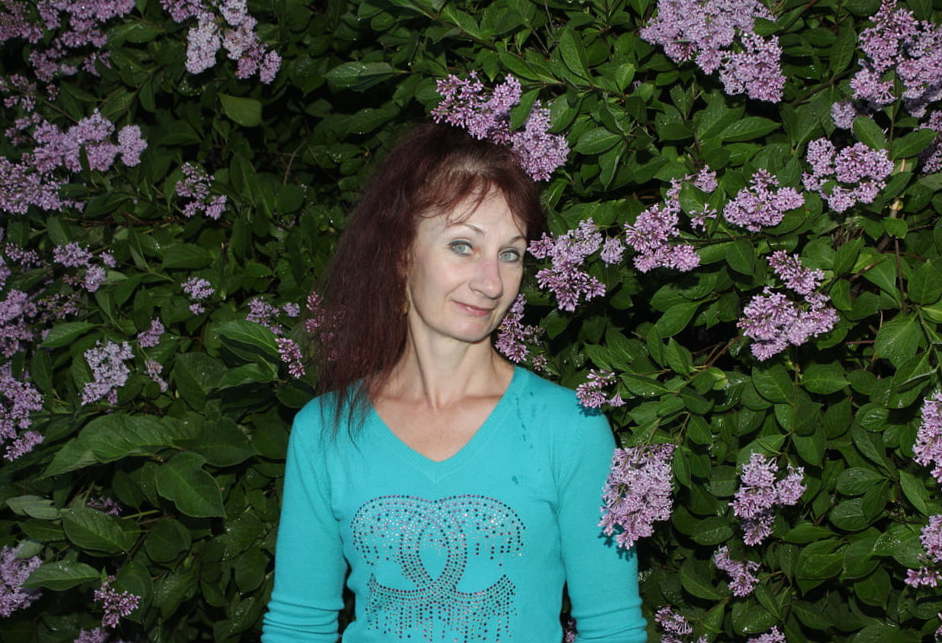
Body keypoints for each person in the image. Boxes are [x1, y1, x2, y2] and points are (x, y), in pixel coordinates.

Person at [261, 122, 647, 642]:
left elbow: (613, 628)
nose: (491, 283)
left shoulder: (569, 427)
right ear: (401, 254)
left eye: (510, 254)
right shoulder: (325, 429)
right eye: (463, 246)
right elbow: (298, 626)